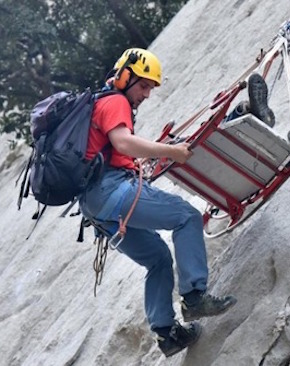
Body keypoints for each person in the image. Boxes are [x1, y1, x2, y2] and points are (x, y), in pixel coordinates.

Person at [78, 48, 237, 358]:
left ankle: (168, 334)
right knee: (187, 216)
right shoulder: (114, 101)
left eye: (150, 88)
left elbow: (112, 151)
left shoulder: (100, 103)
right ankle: (195, 297)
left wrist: (133, 163)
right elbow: (122, 142)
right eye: (144, 85)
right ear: (126, 77)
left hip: (96, 209)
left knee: (158, 258)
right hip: (112, 193)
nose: (147, 94)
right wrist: (171, 150)